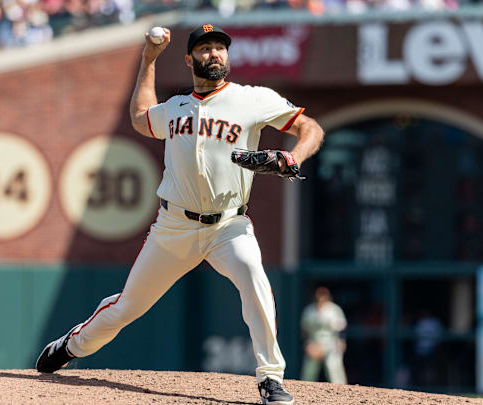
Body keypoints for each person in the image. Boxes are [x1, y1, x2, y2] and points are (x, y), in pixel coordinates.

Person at [35, 24, 325, 405]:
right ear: (189, 60)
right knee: (127, 307)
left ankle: (270, 377)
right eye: (205, 49)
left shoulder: (252, 99)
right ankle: (73, 345)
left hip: (229, 225)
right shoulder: (175, 107)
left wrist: (292, 156)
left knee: (255, 281)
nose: (214, 54)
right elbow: (140, 117)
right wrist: (149, 59)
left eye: (220, 47)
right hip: (174, 227)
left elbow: (310, 127)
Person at [300, 286, 348, 384]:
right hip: (315, 342)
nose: (321, 298)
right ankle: (305, 393)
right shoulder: (309, 310)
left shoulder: (334, 309)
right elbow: (304, 330)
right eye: (319, 295)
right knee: (309, 373)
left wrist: (341, 341)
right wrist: (307, 344)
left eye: (323, 295)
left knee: (334, 368)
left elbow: (342, 328)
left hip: (331, 342)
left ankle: (342, 394)